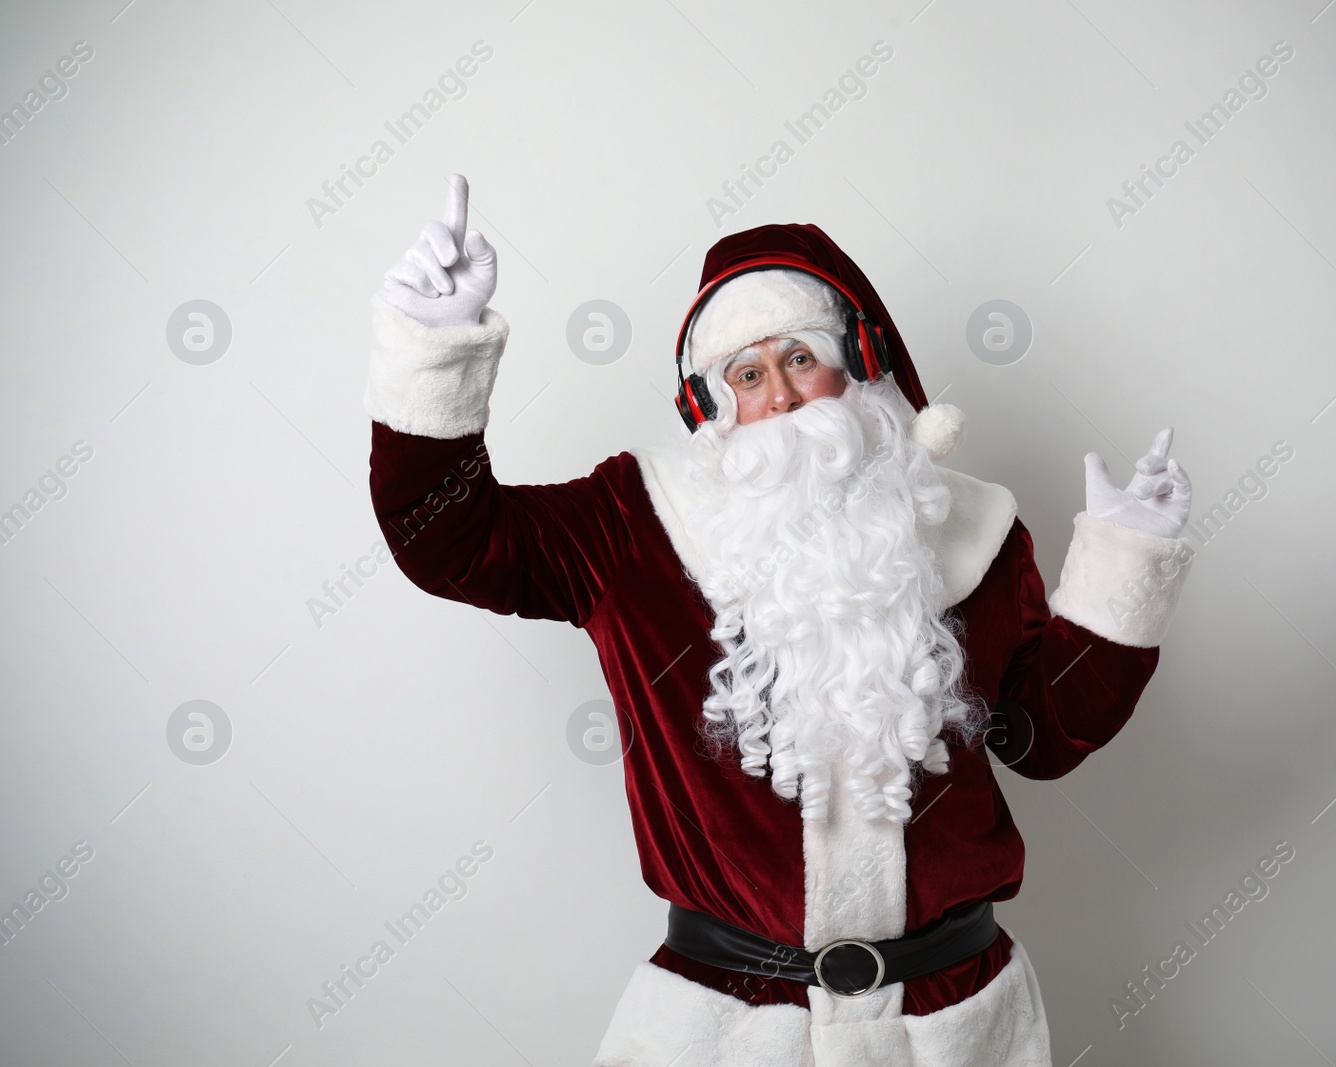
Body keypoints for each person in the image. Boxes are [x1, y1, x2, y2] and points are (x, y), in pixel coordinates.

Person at [365, 174, 1195, 1066]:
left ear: (856, 363)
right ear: (714, 407)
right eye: (748, 374)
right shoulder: (633, 524)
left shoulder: (974, 529)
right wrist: (436, 344)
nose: (784, 397)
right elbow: (448, 539)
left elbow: (1043, 737)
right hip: (727, 1030)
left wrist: (1124, 562)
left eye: (800, 358)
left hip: (955, 1026)